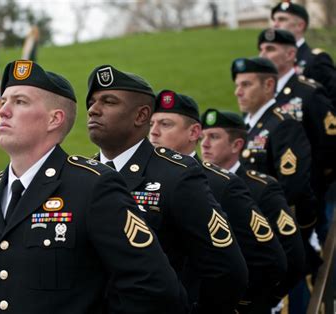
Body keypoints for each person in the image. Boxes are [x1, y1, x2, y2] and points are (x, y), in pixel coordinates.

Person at [0, 60, 189, 314]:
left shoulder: (92, 186)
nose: (3, 111)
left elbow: (154, 287)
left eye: (20, 102)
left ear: (55, 119)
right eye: (3, 101)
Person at [86, 64, 248, 314]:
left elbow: (226, 270)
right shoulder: (81, 176)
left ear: (141, 116)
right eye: (92, 102)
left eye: (108, 101)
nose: (94, 110)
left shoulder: (177, 176)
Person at [150, 90, 287, 313]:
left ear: (194, 132)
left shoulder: (221, 185)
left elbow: (270, 261)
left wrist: (234, 307)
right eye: (151, 124)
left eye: (165, 124)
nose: (154, 132)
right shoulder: (143, 179)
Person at [200, 108, 306, 311]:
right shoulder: (196, 184)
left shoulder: (262, 188)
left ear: (237, 145)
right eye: (203, 136)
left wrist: (264, 299)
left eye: (214, 137)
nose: (204, 144)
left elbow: (293, 256)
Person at [257, 27, 336, 242]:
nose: (263, 54)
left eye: (270, 49)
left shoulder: (309, 92)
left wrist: (314, 180)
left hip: (311, 196)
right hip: (271, 199)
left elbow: (329, 144)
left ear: (291, 54)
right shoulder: (261, 96)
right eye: (261, 49)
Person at [231, 57, 316, 236]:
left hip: (272, 227)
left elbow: (292, 188)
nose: (237, 92)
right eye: (237, 85)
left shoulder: (283, 125)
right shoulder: (248, 121)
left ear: (268, 85)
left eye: (246, 85)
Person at [271, 1, 336, 107]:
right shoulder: (273, 61)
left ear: (300, 25)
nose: (275, 24)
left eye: (282, 19)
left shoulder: (316, 60)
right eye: (274, 20)